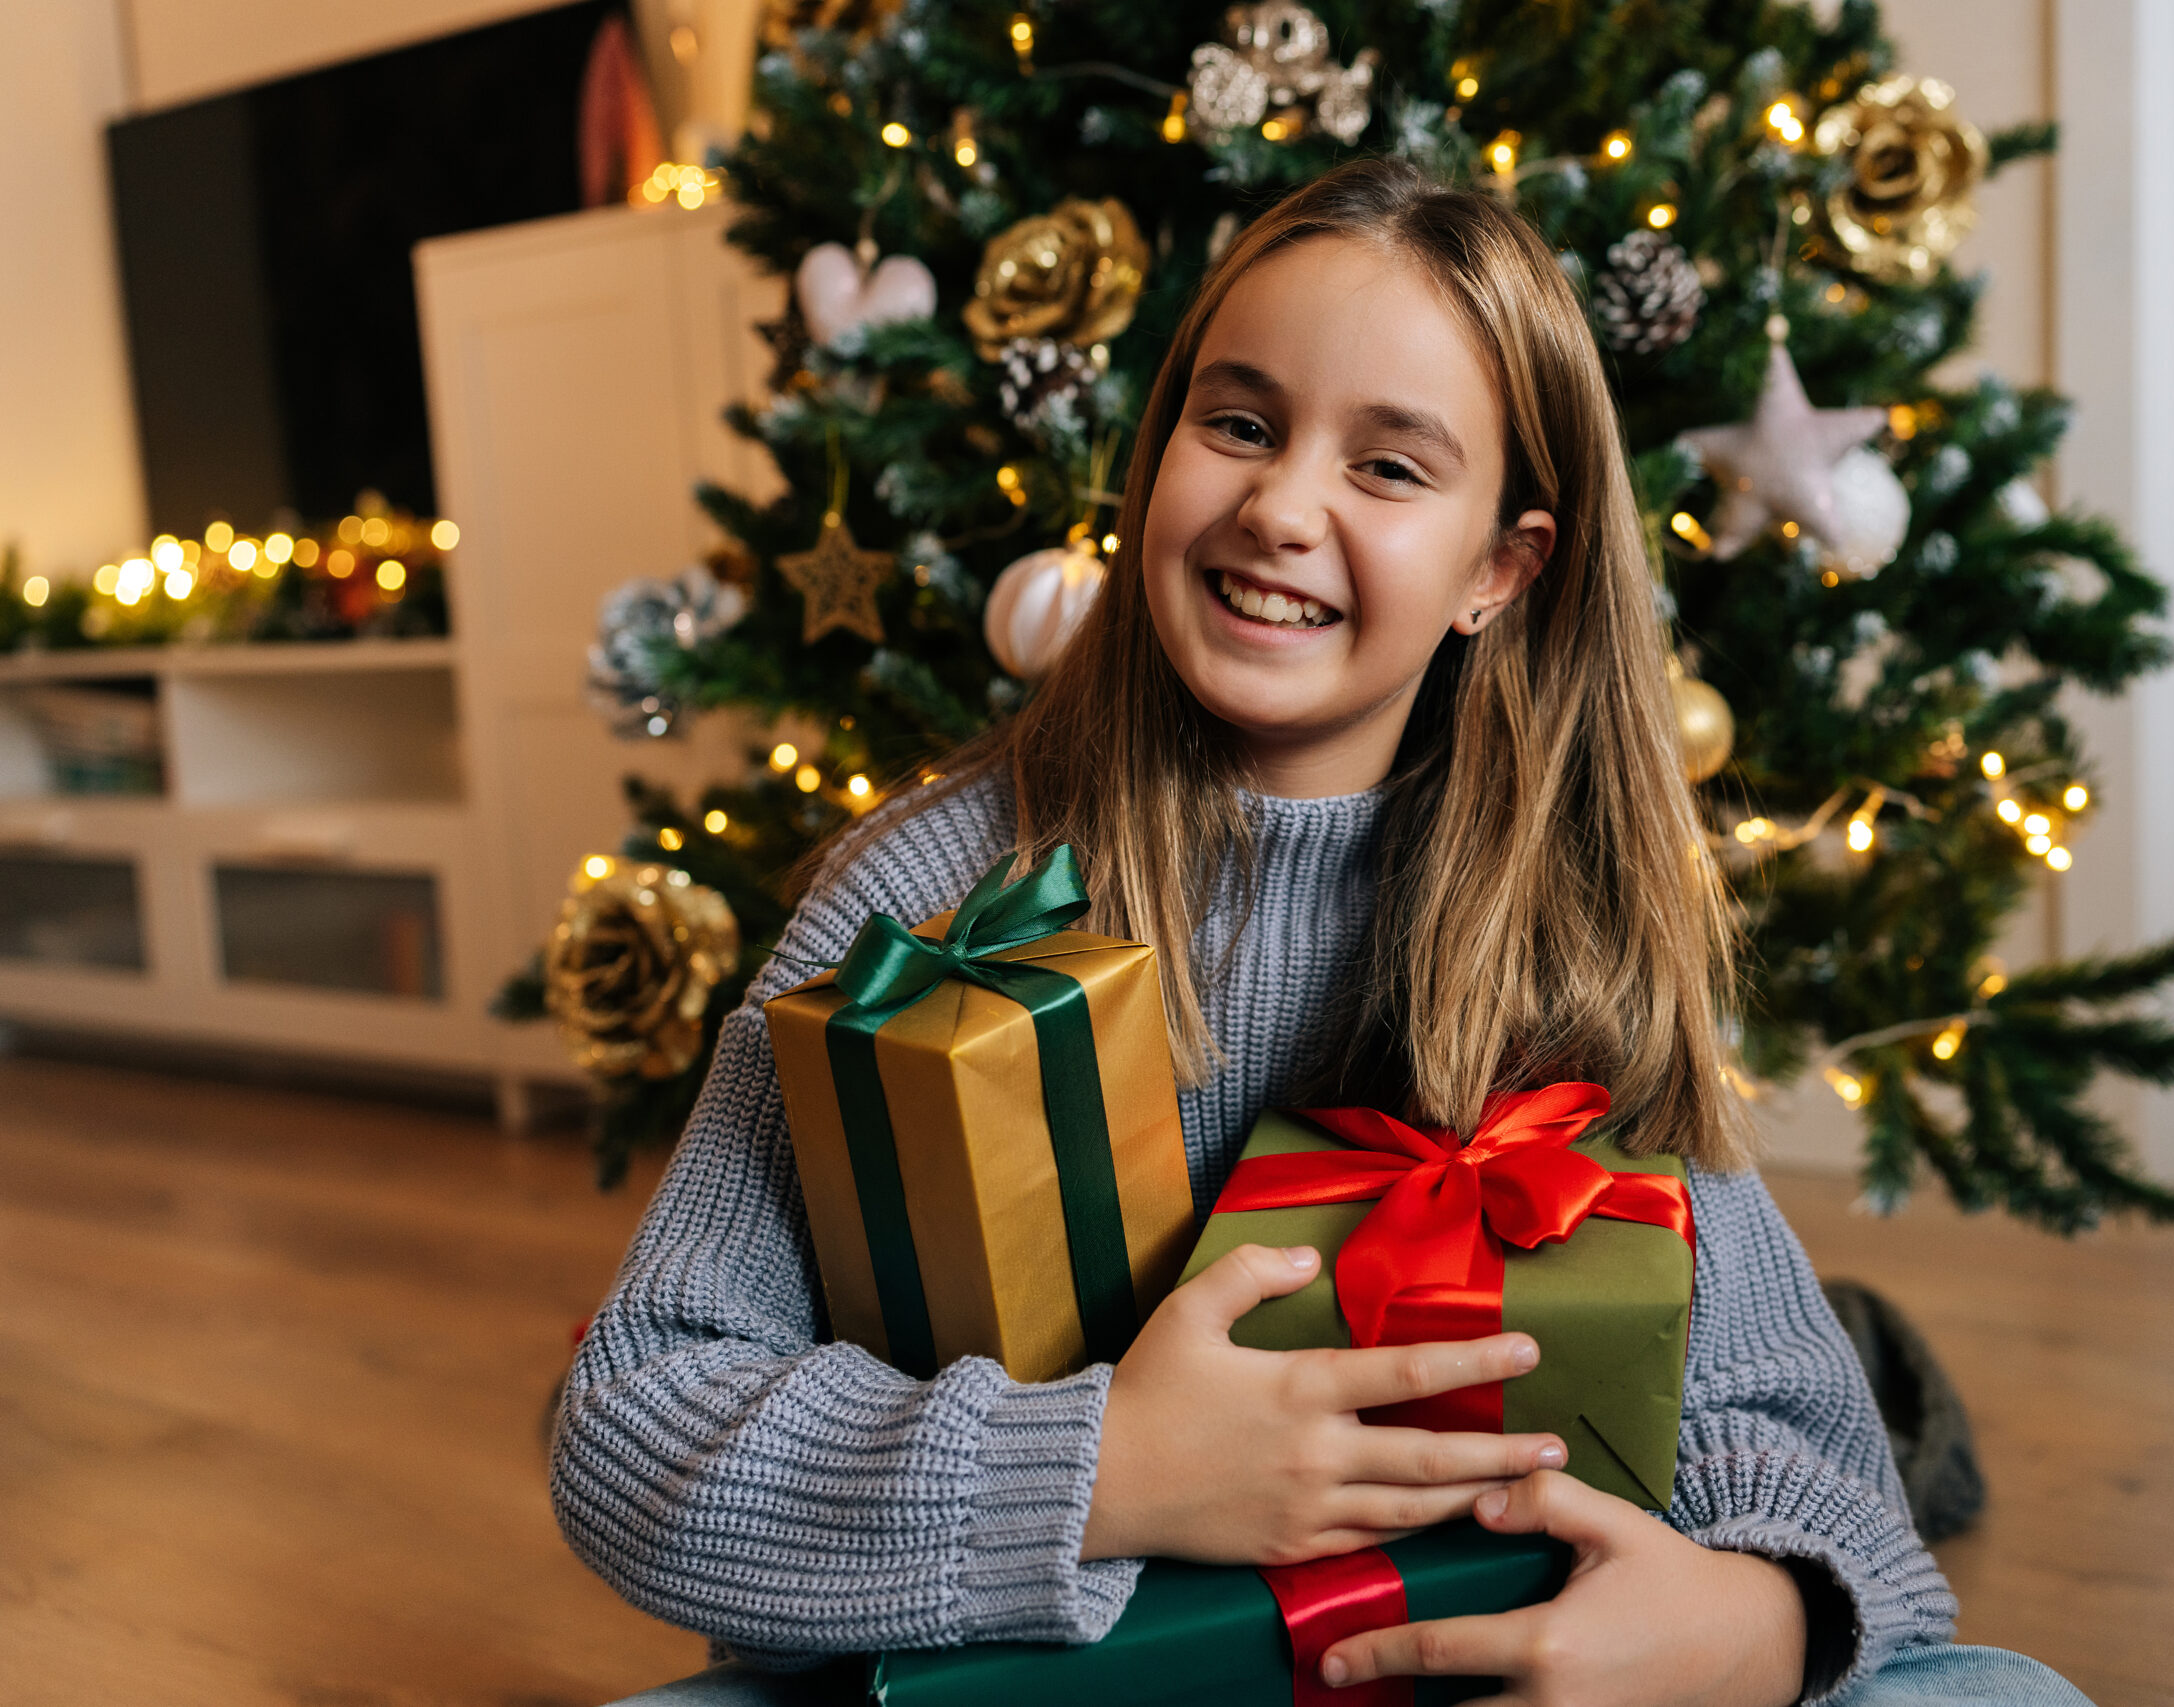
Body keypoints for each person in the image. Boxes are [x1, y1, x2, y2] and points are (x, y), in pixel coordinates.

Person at [556, 159, 2089, 1707]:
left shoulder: (1559, 926)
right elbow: (632, 1422)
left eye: (1392, 468)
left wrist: (1758, 1626)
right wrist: (1106, 1474)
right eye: (1237, 425)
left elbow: (1807, 1448)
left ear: (1501, 569)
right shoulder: (928, 907)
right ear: (1157, 456)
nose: (1281, 507)